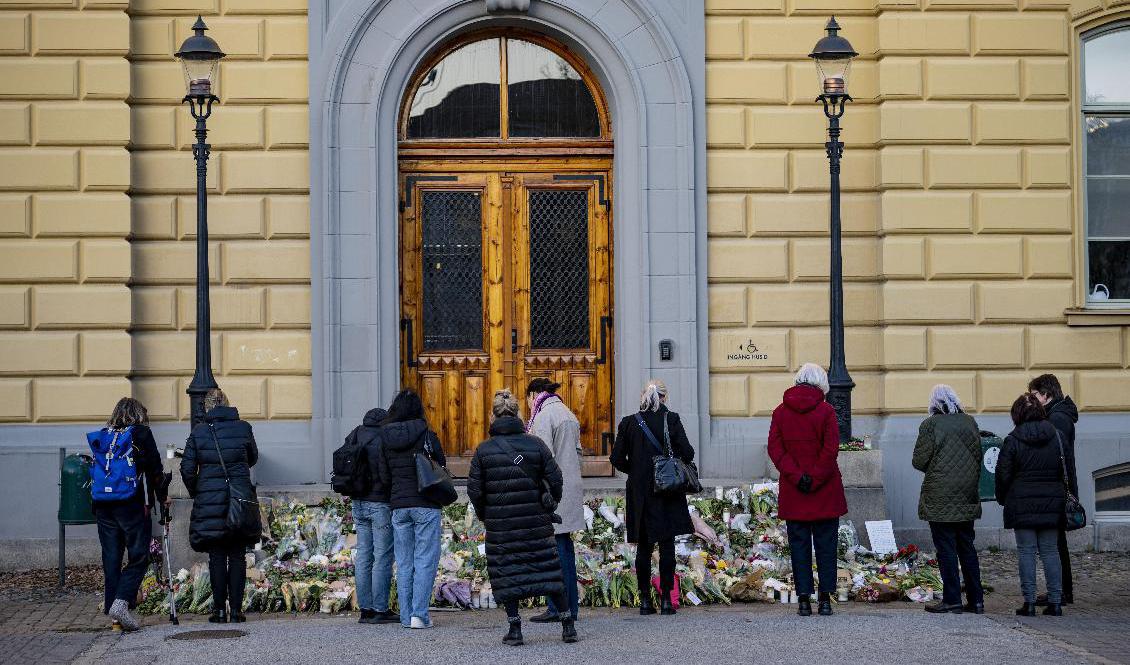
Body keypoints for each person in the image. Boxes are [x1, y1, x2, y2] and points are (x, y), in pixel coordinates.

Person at [468, 389, 576, 646]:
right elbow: (556, 478)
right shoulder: (536, 444)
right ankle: (568, 626)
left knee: (508, 573)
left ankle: (515, 629)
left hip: (502, 525)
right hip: (536, 522)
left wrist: (486, 515)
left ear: (493, 416)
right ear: (518, 414)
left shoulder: (484, 450)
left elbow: (475, 490)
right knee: (549, 572)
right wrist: (550, 503)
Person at [767, 363, 847, 617]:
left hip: (794, 490)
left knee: (799, 546)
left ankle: (803, 600)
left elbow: (775, 449)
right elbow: (831, 449)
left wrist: (797, 476)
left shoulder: (780, 412)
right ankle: (825, 600)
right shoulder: (826, 411)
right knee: (826, 545)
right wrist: (814, 477)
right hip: (825, 490)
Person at [610, 379, 695, 616]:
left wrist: (636, 470)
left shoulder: (629, 423)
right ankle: (666, 599)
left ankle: (645, 601)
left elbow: (616, 458)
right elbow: (688, 452)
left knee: (644, 548)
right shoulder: (672, 419)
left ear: (643, 397)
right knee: (667, 546)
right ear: (664, 397)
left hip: (640, 493)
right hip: (667, 490)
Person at [181, 388, 259, 624]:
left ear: (206, 406)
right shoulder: (243, 428)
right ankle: (236, 611)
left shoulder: (199, 431)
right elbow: (253, 457)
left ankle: (219, 611)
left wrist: (198, 491)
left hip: (210, 502)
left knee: (216, 556)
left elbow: (186, 469)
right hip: (239, 501)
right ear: (227, 403)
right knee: (237, 555)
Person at [91, 397, 168, 632]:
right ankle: (121, 603)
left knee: (111, 558)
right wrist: (162, 496)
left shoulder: (104, 435)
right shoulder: (141, 434)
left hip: (103, 504)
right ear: (139, 415)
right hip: (132, 505)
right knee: (139, 556)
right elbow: (155, 470)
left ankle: (115, 617)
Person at [912, 385, 985, 614]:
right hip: (966, 492)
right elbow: (978, 454)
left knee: (946, 549)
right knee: (967, 547)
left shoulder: (930, 424)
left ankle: (952, 599)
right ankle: (976, 600)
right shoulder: (970, 422)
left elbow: (919, 461)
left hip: (940, 494)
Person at [378, 389, 445, 629]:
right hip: (426, 503)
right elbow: (440, 464)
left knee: (404, 562)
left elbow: (384, 475)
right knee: (425, 559)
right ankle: (419, 615)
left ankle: (407, 617)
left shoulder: (385, 436)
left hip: (399, 505)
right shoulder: (426, 433)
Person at [995, 393, 1066, 617]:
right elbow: (1066, 470)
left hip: (1022, 502)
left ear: (1017, 414)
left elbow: (1003, 474)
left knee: (1026, 552)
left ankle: (1030, 603)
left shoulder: (1013, 439)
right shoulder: (1056, 436)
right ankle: (1055, 602)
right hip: (1052, 501)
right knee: (1051, 551)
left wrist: (1003, 498)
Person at [524, 378, 584, 624]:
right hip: (570, 486)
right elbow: (578, 453)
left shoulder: (543, 417)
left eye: (528, 399)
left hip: (553, 492)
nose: (528, 405)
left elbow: (541, 458)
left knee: (555, 552)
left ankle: (558, 608)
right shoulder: (568, 413)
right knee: (565, 548)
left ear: (534, 394)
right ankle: (570, 607)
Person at [1027, 373, 1079, 606]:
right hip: (1057, 486)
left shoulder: (1057, 418)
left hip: (1056, 488)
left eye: (1034, 395)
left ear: (1046, 395)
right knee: (1056, 543)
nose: (1032, 399)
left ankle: (1061, 592)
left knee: (1055, 545)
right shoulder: (1057, 414)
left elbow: (1056, 455)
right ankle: (1061, 590)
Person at [344, 407, 398, 624]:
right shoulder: (384, 437)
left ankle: (365, 609)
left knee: (364, 555)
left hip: (358, 501)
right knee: (382, 556)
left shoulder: (355, 434)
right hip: (379, 503)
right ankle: (380, 609)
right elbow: (387, 472)